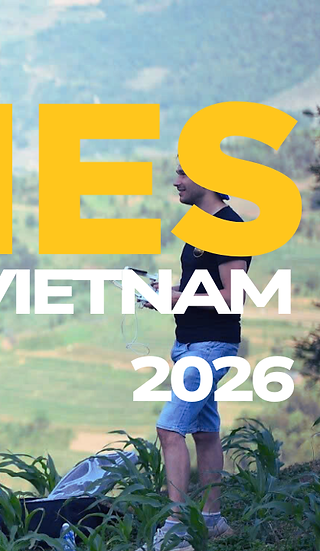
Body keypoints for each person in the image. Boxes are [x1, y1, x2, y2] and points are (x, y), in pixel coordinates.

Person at [141, 160, 251, 550]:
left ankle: (176, 532)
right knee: (205, 433)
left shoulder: (230, 228)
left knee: (170, 430)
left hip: (211, 346)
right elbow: (197, 287)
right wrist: (164, 291)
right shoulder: (202, 229)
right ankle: (212, 521)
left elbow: (233, 296)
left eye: (184, 174)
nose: (176, 182)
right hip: (188, 344)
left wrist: (176, 298)